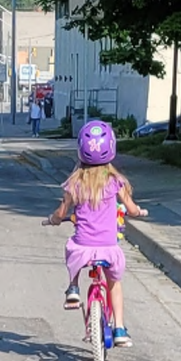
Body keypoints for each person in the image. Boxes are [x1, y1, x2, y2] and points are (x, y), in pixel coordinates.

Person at [44, 120, 147, 347]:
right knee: (114, 283)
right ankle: (119, 328)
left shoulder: (75, 183)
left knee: (70, 247)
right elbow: (131, 209)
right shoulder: (115, 182)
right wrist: (138, 212)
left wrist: (53, 219)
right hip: (109, 248)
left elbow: (62, 212)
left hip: (83, 247)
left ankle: (73, 287)